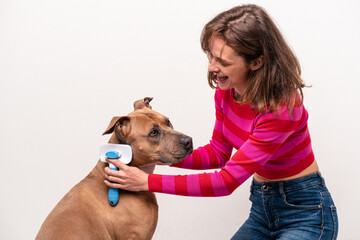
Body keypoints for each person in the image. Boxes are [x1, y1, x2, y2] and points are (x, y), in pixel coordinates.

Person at [104, 4, 338, 239]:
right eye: (210, 56)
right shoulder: (226, 91)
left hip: (306, 212)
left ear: (256, 62)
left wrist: (147, 181)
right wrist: (156, 155)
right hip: (262, 209)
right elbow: (218, 153)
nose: (212, 67)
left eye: (223, 62)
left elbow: (225, 182)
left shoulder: (281, 108)